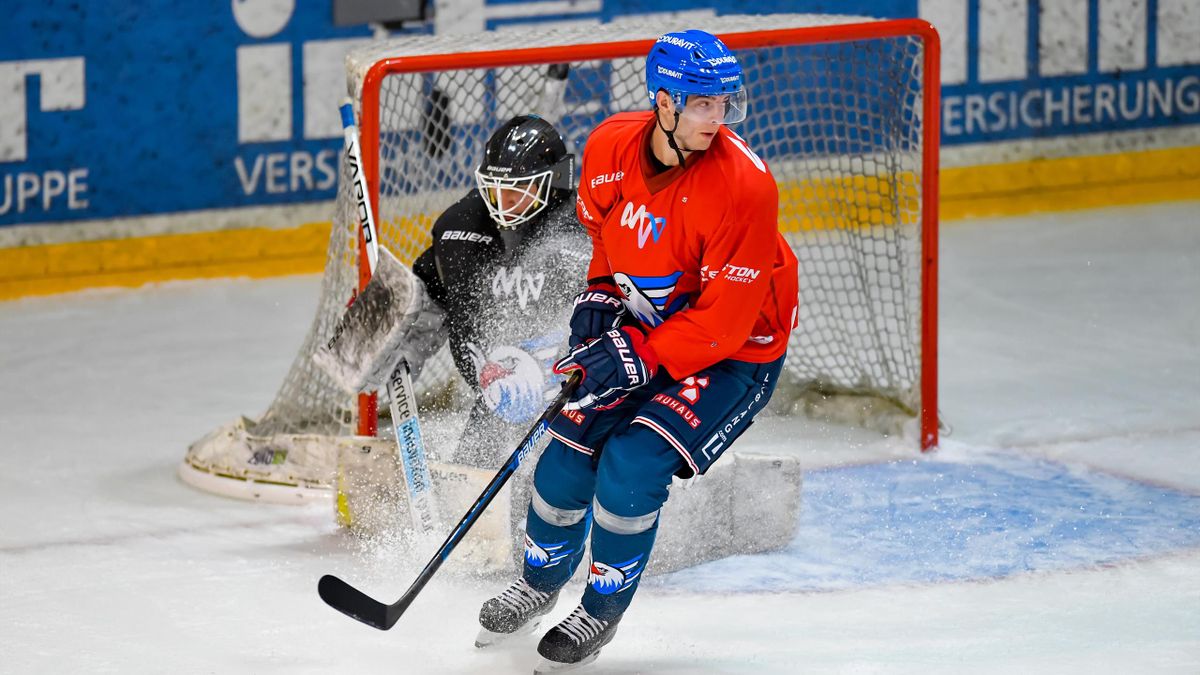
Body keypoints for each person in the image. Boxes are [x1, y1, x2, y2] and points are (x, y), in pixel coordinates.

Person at [475, 30, 801, 670]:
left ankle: (600, 610)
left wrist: (638, 355)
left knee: (632, 461)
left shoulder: (745, 189)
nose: (718, 118)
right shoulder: (607, 148)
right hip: (651, 326)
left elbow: (725, 326)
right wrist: (600, 295)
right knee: (566, 453)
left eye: (724, 103)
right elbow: (608, 243)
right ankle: (540, 584)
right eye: (702, 104)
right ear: (664, 101)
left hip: (735, 351)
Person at [410, 115, 589, 466]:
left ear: (553, 183)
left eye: (517, 189)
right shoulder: (462, 227)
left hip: (571, 404)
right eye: (495, 188)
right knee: (470, 489)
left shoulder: (584, 235)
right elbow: (430, 288)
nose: (503, 201)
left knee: (554, 491)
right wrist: (402, 327)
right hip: (498, 397)